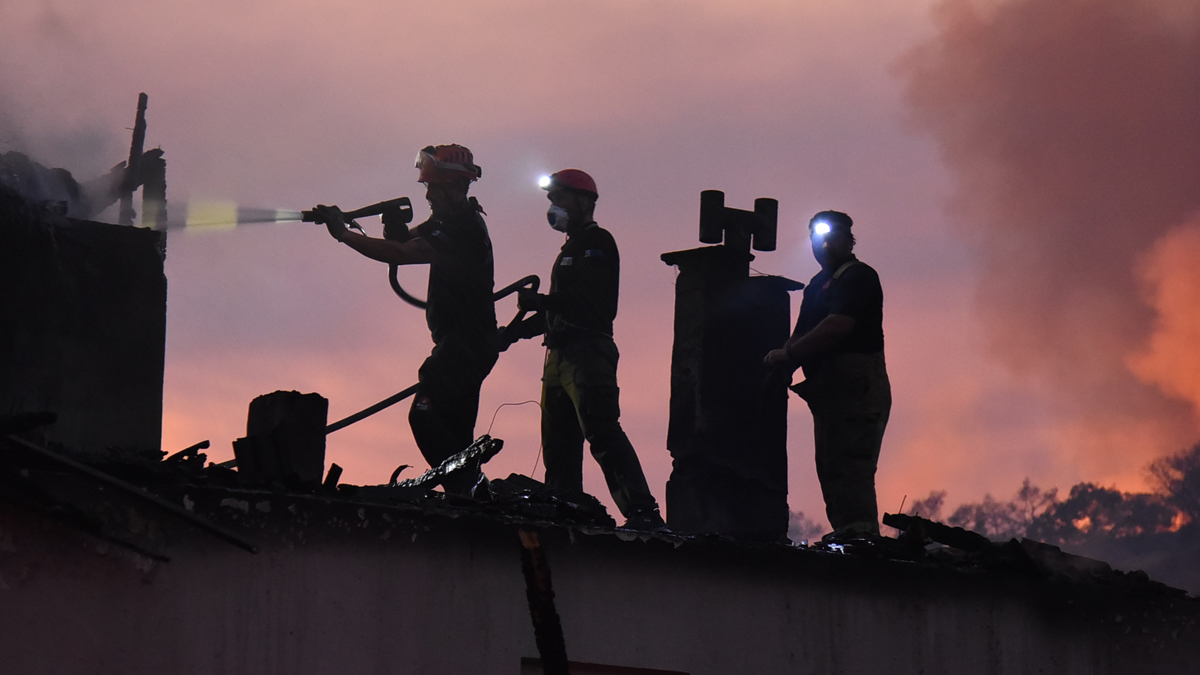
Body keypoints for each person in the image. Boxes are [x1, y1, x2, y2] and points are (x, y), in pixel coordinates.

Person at [311, 145, 497, 493]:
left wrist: (344, 234)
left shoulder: (463, 230)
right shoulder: (449, 220)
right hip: (468, 343)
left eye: (434, 187)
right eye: (425, 186)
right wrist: (393, 227)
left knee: (424, 414)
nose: (427, 194)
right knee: (455, 432)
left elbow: (401, 253)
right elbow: (404, 240)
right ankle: (473, 495)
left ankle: (467, 488)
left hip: (465, 345)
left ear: (457, 186)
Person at [510, 169, 665, 529]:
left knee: (601, 431)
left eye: (560, 198)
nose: (554, 207)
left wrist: (543, 302)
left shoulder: (599, 244)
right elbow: (557, 311)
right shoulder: (570, 249)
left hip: (587, 355)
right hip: (559, 357)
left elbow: (592, 304)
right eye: (551, 199)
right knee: (558, 445)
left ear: (583, 202)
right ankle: (564, 511)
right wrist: (511, 334)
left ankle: (643, 513)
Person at [764, 210, 890, 537]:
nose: (824, 244)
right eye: (817, 237)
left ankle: (860, 537)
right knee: (831, 468)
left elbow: (838, 326)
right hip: (831, 391)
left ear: (849, 241)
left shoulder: (859, 277)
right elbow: (802, 331)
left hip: (857, 387)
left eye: (832, 236)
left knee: (851, 465)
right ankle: (848, 532)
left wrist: (790, 354)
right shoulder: (817, 286)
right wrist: (783, 365)